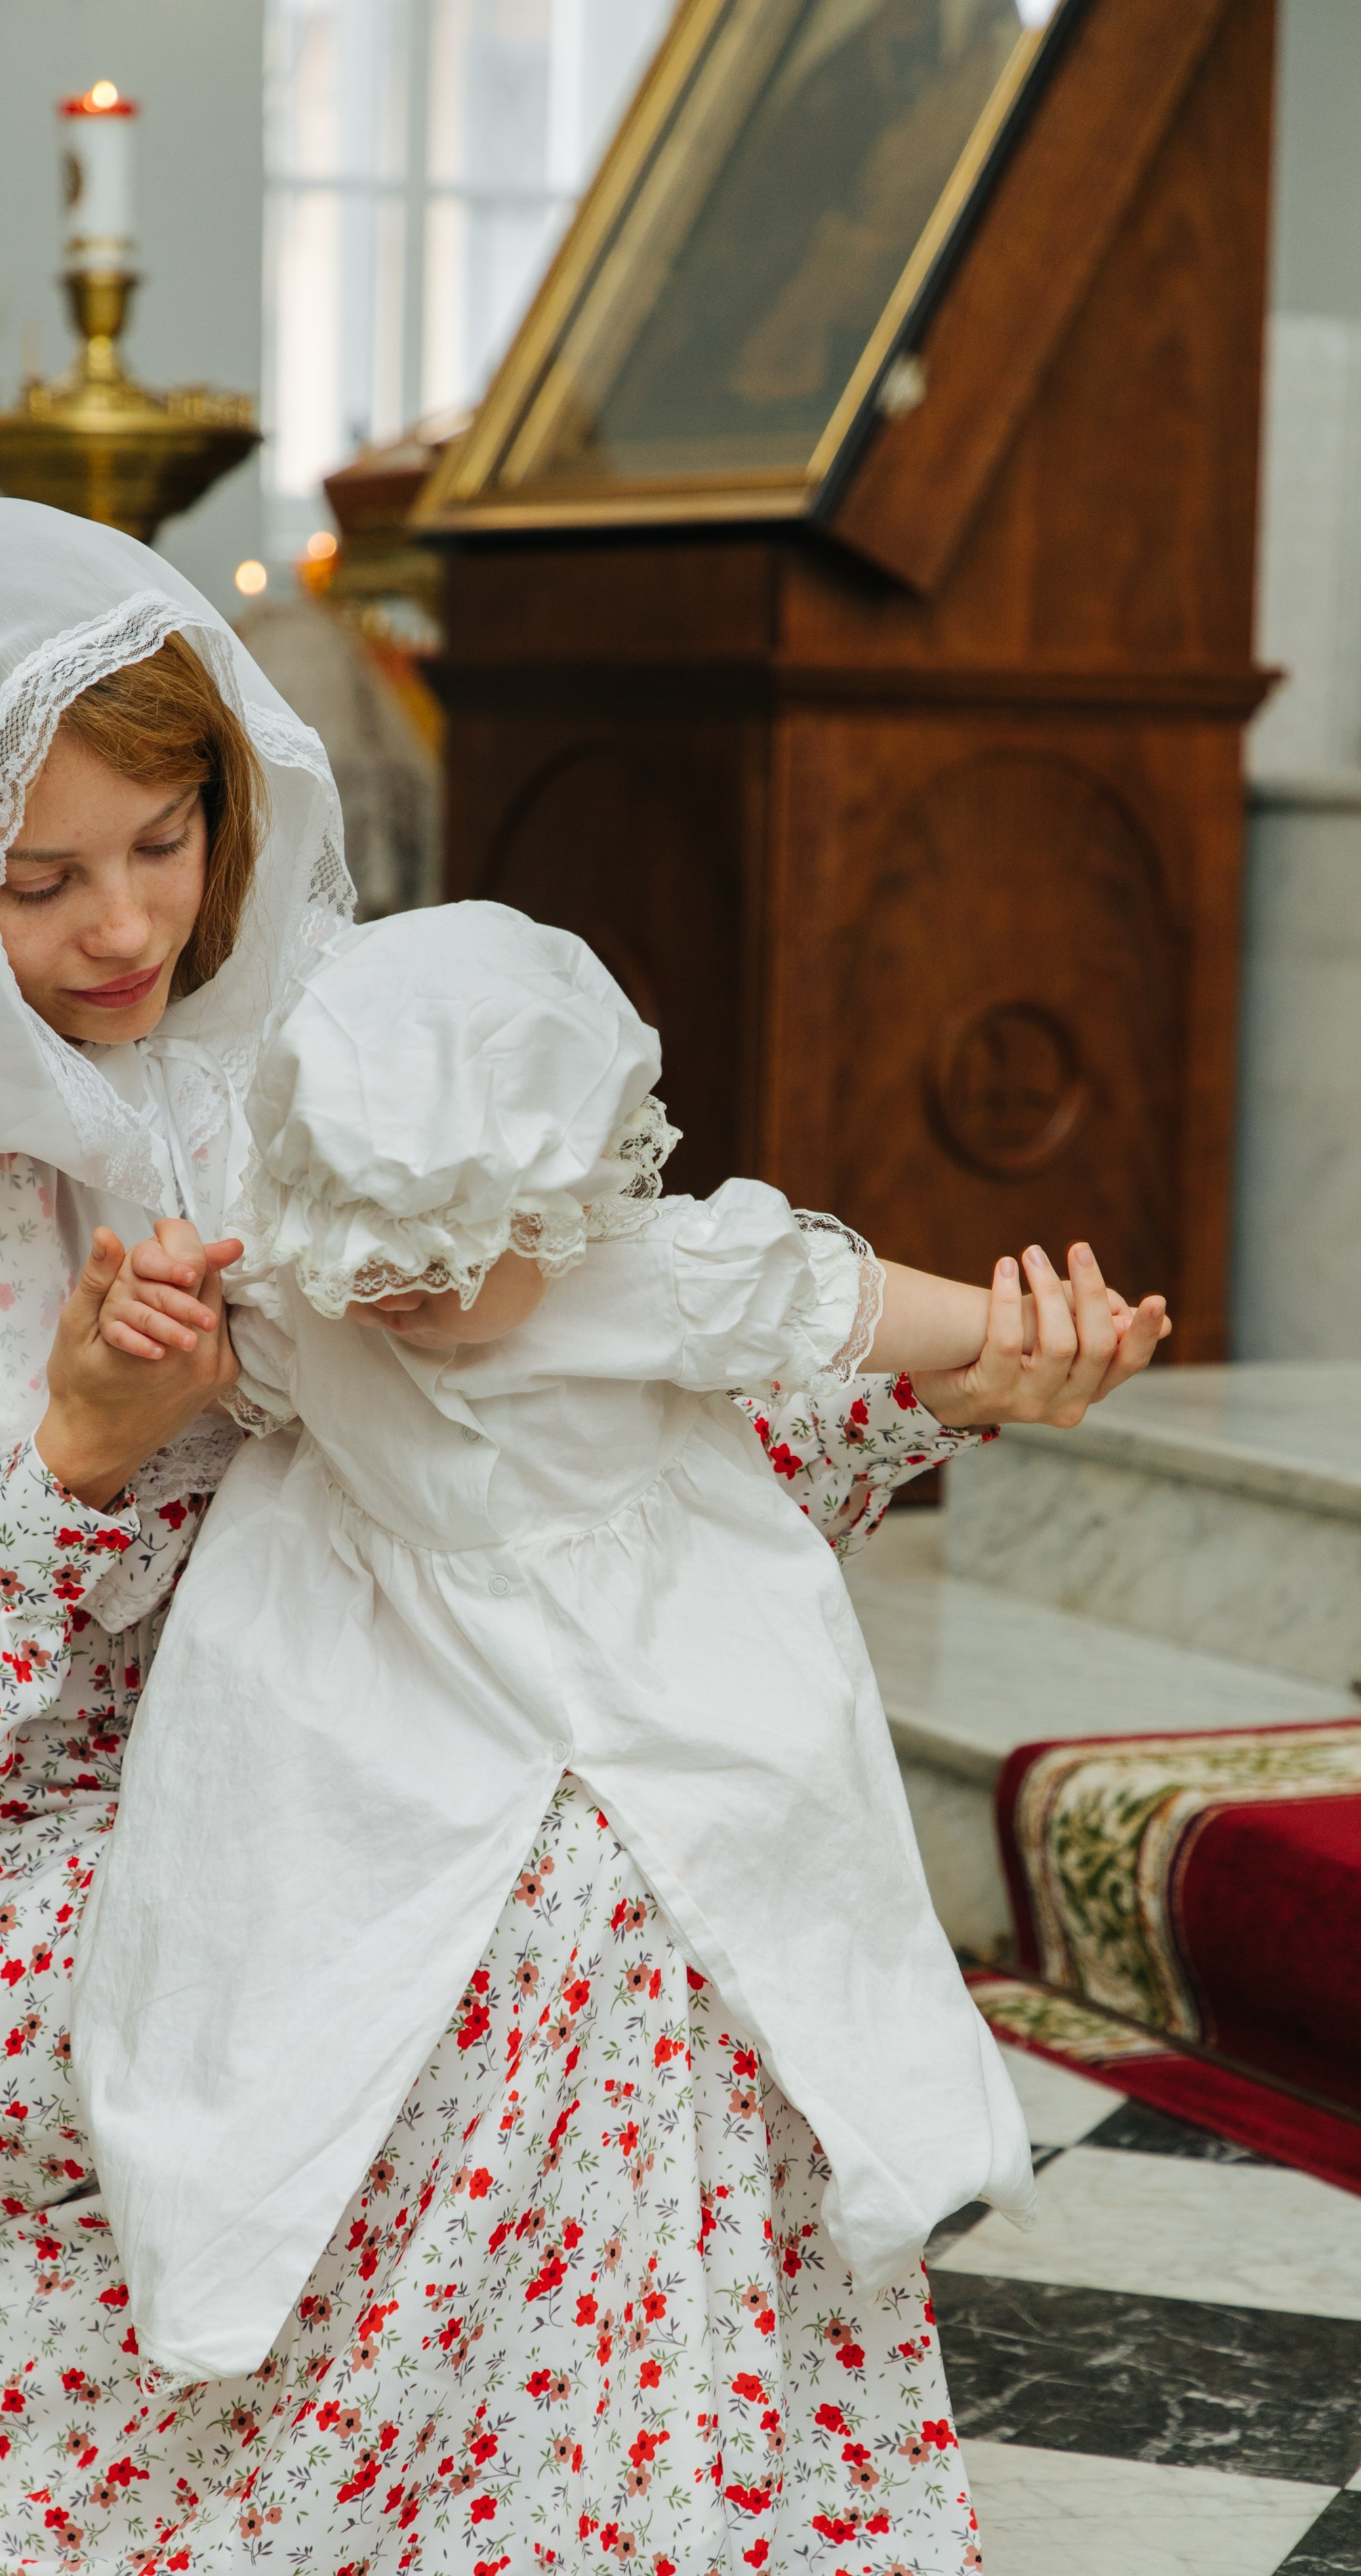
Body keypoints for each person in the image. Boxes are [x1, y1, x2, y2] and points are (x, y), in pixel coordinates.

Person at [0, 496, 1158, 2576]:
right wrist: (72, 1464)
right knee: (518, 1911)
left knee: (652, 1833)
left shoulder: (276, 1062)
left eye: (169, 840)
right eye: (36, 879)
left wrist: (952, 1375)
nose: (125, 932)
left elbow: (571, 1464)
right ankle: (341, 2513)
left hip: (365, 1735)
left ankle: (620, 2517)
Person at [74, 900, 1166, 2392]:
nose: (401, 1297)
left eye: (453, 1260)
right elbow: (193, 1344)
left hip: (661, 1638)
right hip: (372, 1660)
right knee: (281, 1938)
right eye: (373, 1258)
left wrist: (1038, 1331)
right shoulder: (304, 1288)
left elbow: (853, 1307)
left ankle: (829, 2189)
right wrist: (142, 1333)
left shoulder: (650, 1267)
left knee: (765, 1861)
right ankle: (262, 2277)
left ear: (568, 1201)